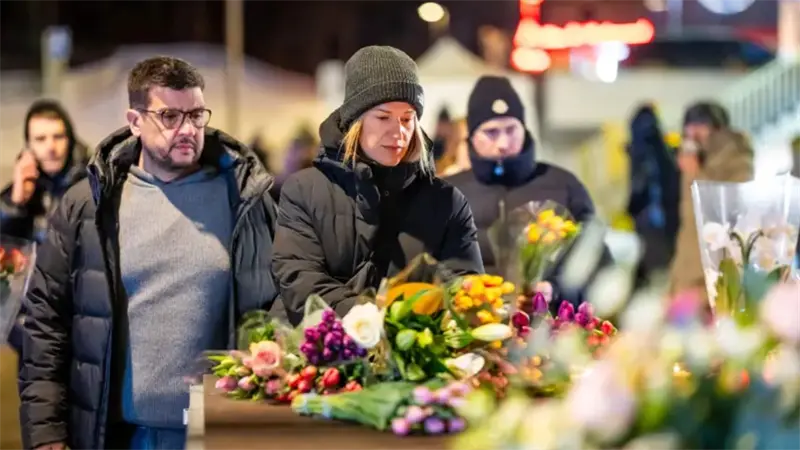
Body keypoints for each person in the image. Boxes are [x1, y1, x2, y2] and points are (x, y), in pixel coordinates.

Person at [19, 56, 279, 450]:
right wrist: (46, 433)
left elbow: (279, 299)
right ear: (135, 121)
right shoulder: (88, 205)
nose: (188, 129)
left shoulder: (245, 200)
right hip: (118, 435)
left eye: (196, 115)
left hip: (219, 432)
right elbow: (45, 321)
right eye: (170, 116)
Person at [272, 46, 484, 325]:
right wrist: (369, 322)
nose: (398, 132)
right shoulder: (304, 191)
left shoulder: (446, 201)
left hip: (416, 360)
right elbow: (299, 278)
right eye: (383, 117)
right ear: (354, 121)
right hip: (323, 355)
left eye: (407, 118)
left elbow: (465, 285)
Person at [445, 76, 602, 305]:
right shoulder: (449, 193)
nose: (503, 142)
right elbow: (427, 263)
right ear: (471, 135)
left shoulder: (563, 185)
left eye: (511, 129)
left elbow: (594, 254)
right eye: (491, 132)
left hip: (547, 329)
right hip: (470, 328)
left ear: (524, 128)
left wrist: (555, 289)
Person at [669, 101, 753, 298]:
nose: (693, 133)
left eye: (700, 125)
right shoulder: (695, 159)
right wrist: (675, 279)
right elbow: (688, 225)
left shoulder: (736, 158)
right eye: (689, 127)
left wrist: (694, 173)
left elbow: (727, 209)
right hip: (688, 270)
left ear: (718, 129)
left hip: (719, 270)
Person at [0, 99, 88, 242]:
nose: (51, 148)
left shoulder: (92, 181)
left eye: (58, 137)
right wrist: (15, 202)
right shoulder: (25, 184)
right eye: (40, 139)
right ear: (29, 146)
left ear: (70, 140)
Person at [625, 104, 680, 284]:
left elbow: (640, 189)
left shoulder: (642, 151)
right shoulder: (659, 150)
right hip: (660, 222)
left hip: (656, 222)